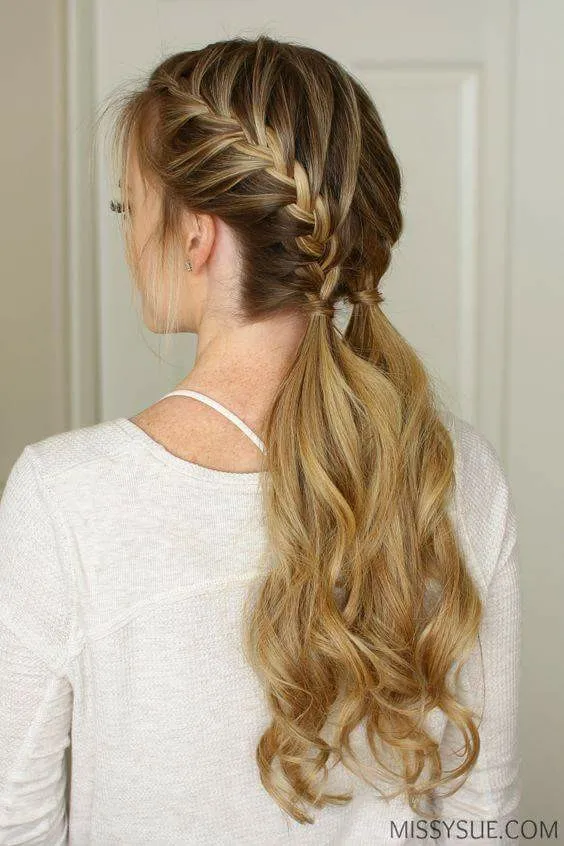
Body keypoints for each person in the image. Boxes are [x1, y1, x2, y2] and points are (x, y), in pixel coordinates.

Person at [0, 35, 521, 845]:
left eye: (128, 205)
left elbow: (15, 822)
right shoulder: (452, 474)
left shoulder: (64, 498)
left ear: (197, 237)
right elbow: (484, 815)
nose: (129, 233)